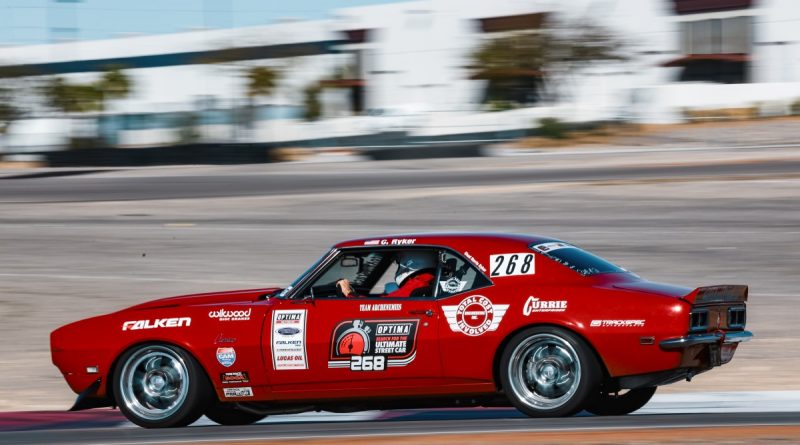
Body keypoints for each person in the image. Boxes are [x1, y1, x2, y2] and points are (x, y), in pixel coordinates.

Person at [336, 251, 436, 298]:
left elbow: (380, 306)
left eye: (398, 262)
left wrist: (350, 294)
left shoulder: (418, 283)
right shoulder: (429, 280)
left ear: (409, 263)